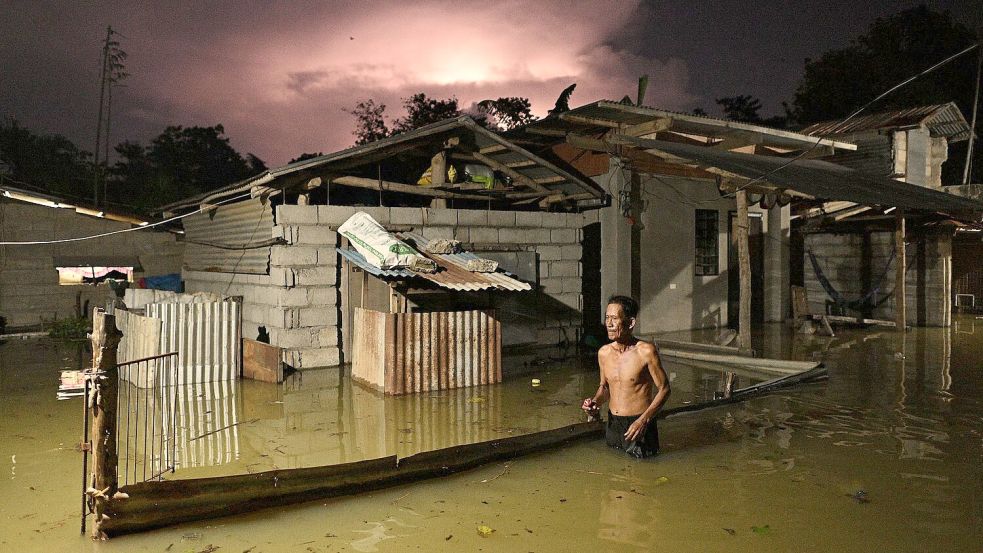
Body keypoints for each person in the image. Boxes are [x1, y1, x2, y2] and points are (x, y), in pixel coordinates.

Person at [582, 295, 670, 458]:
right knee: (613, 469)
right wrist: (594, 402)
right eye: (607, 318)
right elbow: (605, 387)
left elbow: (664, 389)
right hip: (614, 424)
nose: (609, 324)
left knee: (643, 476)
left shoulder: (646, 351)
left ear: (630, 323)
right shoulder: (604, 353)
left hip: (639, 424)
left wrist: (644, 421)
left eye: (614, 318)